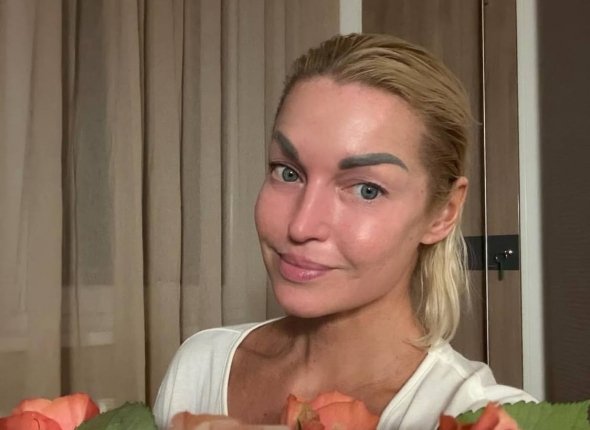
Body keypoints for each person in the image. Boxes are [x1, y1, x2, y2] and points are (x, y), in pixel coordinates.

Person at [154, 33, 535, 430]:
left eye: (366, 189)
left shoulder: (482, 415)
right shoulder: (200, 366)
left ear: (443, 212)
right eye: (288, 172)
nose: (301, 226)